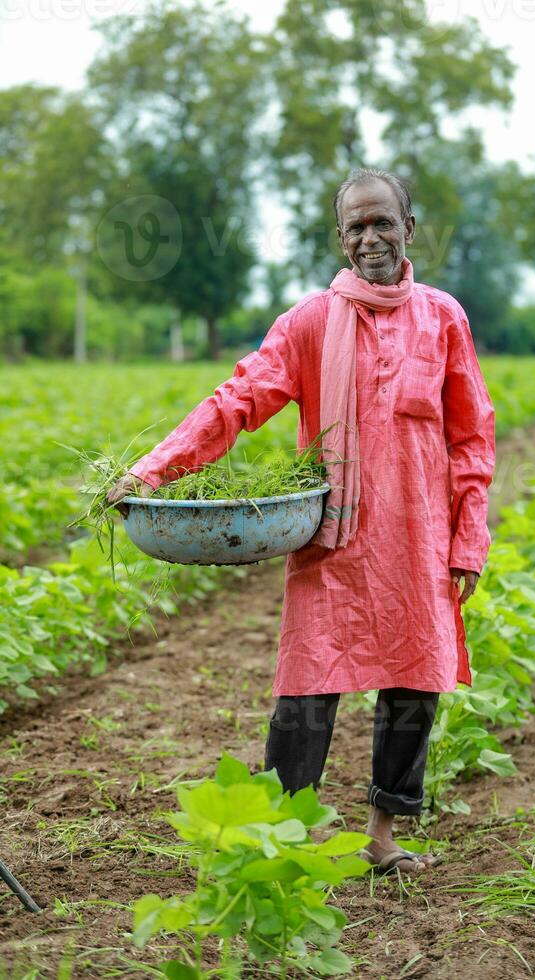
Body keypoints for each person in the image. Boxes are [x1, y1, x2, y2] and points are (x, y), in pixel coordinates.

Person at [107, 168, 495, 876]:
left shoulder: (443, 317)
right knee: (308, 687)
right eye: (357, 226)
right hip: (334, 542)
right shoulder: (312, 321)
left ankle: (382, 834)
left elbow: (472, 437)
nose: (370, 236)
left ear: (410, 228)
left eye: (383, 222)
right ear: (340, 238)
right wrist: (153, 470)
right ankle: (284, 834)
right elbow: (240, 399)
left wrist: (468, 538)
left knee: (414, 684)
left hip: (418, 541)